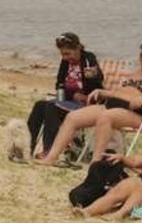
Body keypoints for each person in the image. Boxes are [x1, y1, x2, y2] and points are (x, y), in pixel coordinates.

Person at [37, 39, 142, 166]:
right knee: (73, 117)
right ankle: (51, 158)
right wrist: (102, 92)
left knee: (107, 116)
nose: (140, 58)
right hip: (114, 104)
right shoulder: (136, 73)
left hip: (140, 112)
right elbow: (118, 92)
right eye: (139, 54)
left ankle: (95, 163)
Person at [20, 33, 103, 161]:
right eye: (63, 54)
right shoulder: (65, 62)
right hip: (69, 100)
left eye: (68, 54)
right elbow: (59, 84)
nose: (65, 57)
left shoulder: (88, 59)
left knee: (50, 107)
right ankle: (27, 147)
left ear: (78, 48)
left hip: (87, 103)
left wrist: (93, 76)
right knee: (39, 105)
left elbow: (98, 84)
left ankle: (49, 150)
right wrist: (71, 94)